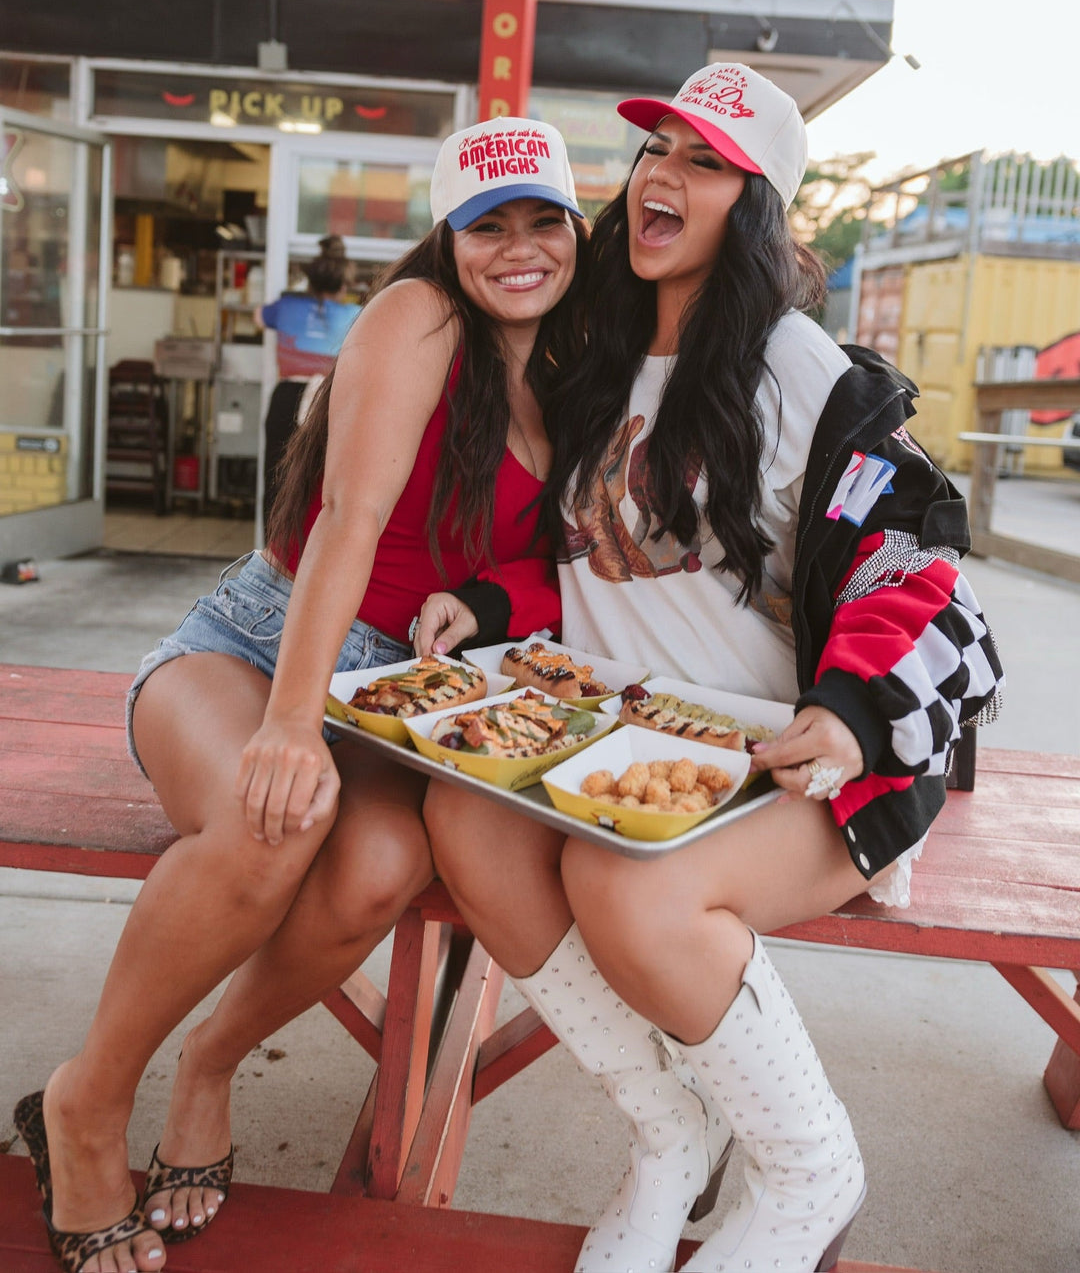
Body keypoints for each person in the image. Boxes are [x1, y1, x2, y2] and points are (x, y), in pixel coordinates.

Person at [420, 63, 1004, 1273]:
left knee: (630, 887)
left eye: (700, 160)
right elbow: (572, 551)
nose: (657, 178)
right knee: (464, 823)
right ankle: (669, 1132)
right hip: (610, 737)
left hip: (782, 757)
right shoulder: (592, 351)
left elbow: (924, 567)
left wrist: (851, 710)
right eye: (652, 152)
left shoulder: (799, 369)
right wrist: (485, 600)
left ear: (755, 205)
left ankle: (805, 1166)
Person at [13, 116, 588, 1273]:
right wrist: (286, 720)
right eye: (488, 227)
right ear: (449, 237)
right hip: (259, 645)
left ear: (578, 231)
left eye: (543, 221)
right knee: (276, 813)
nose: (517, 249)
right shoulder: (418, 318)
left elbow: (577, 558)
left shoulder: (584, 366)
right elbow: (350, 520)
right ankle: (83, 1107)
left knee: (383, 865)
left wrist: (483, 600)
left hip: (396, 691)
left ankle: (210, 1067)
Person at [256, 233, 360, 523]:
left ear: (311, 280)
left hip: (286, 397)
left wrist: (300, 294)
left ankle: (273, 555)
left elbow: (257, 317)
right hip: (329, 400)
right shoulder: (356, 313)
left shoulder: (286, 307)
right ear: (343, 285)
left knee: (277, 479)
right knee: (321, 483)